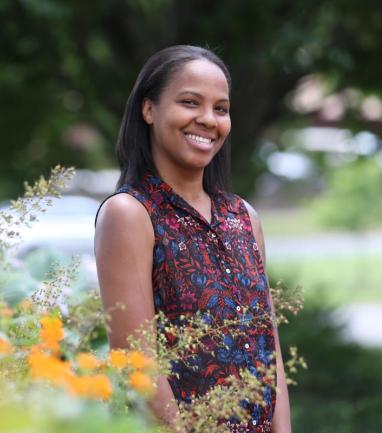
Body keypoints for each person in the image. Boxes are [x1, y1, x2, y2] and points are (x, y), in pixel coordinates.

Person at [94, 45, 292, 433]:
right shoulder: (131, 214)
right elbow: (136, 360)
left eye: (221, 109)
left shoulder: (243, 218)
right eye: (190, 102)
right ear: (148, 110)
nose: (207, 119)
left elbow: (270, 352)